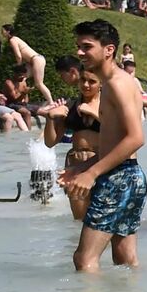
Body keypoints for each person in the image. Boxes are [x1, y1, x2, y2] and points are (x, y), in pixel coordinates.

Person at [59, 19, 147, 272]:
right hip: (131, 176)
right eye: (78, 46)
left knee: (84, 259)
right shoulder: (121, 81)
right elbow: (118, 143)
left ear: (108, 49)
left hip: (117, 178)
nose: (79, 53)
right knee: (125, 258)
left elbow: (135, 138)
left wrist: (92, 173)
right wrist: (83, 167)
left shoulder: (115, 85)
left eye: (86, 47)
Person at [40, 56, 101, 221]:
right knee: (79, 220)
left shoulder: (106, 104)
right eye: (82, 80)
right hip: (74, 162)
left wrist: (94, 113)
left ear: (100, 83)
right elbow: (50, 141)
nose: (86, 85)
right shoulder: (71, 105)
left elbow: (118, 132)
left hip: (99, 161)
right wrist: (50, 118)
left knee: (101, 218)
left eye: (91, 81)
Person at [0, 25, 54, 105]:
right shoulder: (15, 39)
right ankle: (20, 99)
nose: (2, 32)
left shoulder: (12, 40)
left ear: (8, 31)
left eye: (3, 30)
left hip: (36, 59)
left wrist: (19, 66)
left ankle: (51, 102)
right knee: (22, 78)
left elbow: (18, 55)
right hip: (33, 61)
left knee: (39, 83)